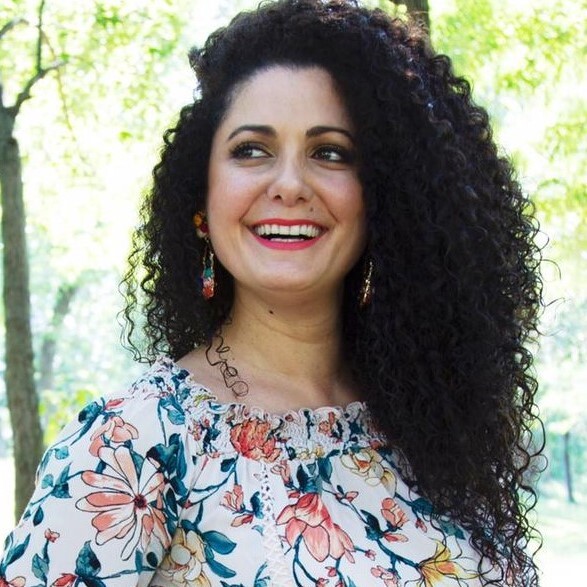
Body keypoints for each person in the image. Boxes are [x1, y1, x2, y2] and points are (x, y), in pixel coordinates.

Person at [1, 0, 544, 585]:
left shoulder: (440, 431)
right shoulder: (129, 446)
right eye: (251, 150)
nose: (289, 184)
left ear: (386, 200)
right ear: (201, 202)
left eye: (329, 152)